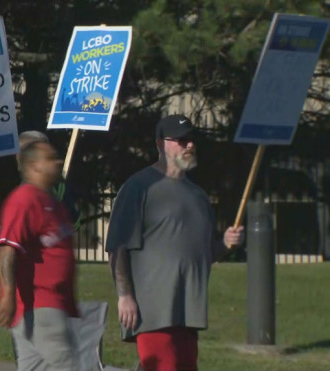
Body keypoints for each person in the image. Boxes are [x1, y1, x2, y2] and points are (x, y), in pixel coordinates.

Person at [105, 114, 245, 371]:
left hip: (188, 314)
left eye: (191, 139)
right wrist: (124, 295)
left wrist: (225, 243)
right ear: (160, 144)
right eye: (181, 140)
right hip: (152, 312)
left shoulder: (199, 196)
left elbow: (204, 254)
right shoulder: (139, 188)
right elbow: (118, 247)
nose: (189, 145)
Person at [0, 141, 79, 371]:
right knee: (69, 366)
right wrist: (8, 294)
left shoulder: (53, 202)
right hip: (39, 305)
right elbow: (8, 247)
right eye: (51, 158)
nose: (58, 161)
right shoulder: (24, 199)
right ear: (34, 166)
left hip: (54, 305)